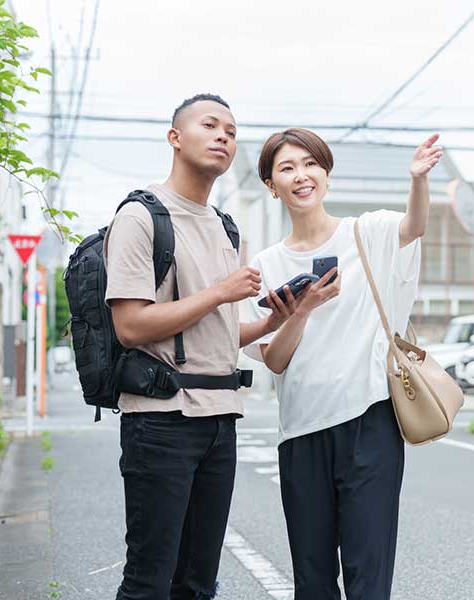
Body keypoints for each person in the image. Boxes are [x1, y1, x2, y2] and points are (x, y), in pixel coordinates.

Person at [104, 93, 292, 600]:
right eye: (210, 125)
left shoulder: (224, 226)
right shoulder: (142, 217)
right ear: (175, 137)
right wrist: (220, 292)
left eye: (231, 132)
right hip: (160, 420)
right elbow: (131, 325)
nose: (222, 137)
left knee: (198, 582)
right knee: (149, 579)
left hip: (219, 419)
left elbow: (218, 334)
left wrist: (277, 317)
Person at [244, 127, 442, 599]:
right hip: (302, 431)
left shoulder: (365, 232)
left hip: (370, 421)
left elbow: (413, 226)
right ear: (271, 186)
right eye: (286, 168)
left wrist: (418, 179)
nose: (301, 175)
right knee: (312, 579)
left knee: (368, 571)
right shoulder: (266, 265)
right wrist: (303, 309)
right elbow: (274, 361)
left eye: (310, 164)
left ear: (326, 175)